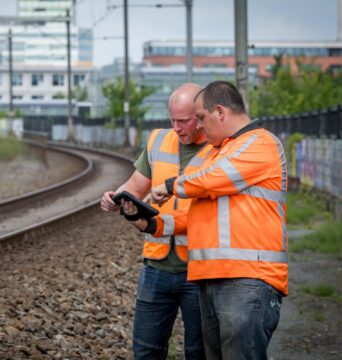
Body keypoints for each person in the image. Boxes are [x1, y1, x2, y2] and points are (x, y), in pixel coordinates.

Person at [151, 80, 288, 360]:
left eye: (201, 118)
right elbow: (200, 212)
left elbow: (208, 180)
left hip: (247, 278)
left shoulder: (260, 144)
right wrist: (154, 224)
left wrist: (170, 184)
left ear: (221, 112)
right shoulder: (221, 150)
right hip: (213, 278)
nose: (199, 126)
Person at [101, 83, 210, 360]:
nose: (176, 127)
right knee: (146, 351)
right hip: (156, 265)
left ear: (200, 116)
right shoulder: (159, 140)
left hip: (200, 270)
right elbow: (136, 186)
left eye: (183, 120)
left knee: (200, 352)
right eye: (171, 119)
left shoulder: (218, 149)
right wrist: (117, 196)